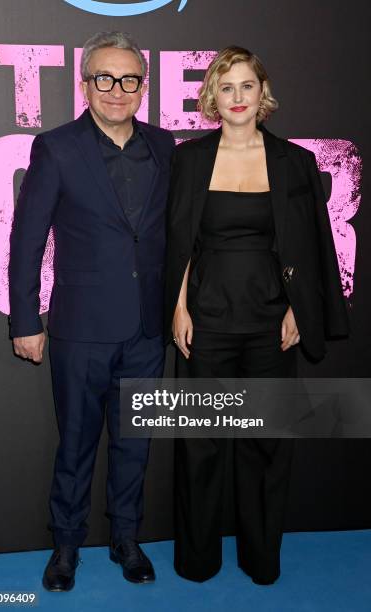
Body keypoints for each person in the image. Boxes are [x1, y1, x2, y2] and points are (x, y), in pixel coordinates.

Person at [164, 46, 349, 585]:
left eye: (247, 86)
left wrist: (299, 308)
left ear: (262, 92)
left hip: (271, 324)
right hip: (207, 320)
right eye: (227, 87)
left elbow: (313, 245)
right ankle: (197, 560)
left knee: (266, 443)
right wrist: (178, 306)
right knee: (200, 445)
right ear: (212, 98)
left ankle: (261, 557)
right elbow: (179, 242)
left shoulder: (295, 162)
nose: (238, 97)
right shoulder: (190, 159)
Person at [8, 31, 174, 591]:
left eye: (129, 79)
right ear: (86, 83)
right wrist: (26, 321)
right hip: (80, 328)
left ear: (142, 86)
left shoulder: (166, 147)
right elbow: (27, 241)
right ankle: (66, 546)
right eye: (104, 78)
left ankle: (128, 539)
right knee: (76, 442)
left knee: (135, 445)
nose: (117, 90)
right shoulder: (56, 147)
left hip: (149, 328)